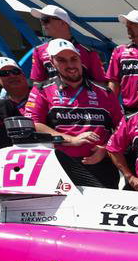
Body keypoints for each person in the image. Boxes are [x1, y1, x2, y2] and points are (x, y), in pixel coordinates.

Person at [24, 39, 122, 188]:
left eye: (73, 59)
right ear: (52, 62)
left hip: (101, 166)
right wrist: (72, 140)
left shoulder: (105, 92)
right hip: (60, 165)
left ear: (80, 59)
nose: (70, 65)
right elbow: (33, 123)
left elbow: (122, 128)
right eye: (62, 60)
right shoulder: (42, 90)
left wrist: (106, 149)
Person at [28, 5, 106, 84]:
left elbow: (100, 83)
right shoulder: (39, 50)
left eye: (46, 20)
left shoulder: (88, 52)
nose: (43, 24)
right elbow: (38, 83)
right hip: (51, 96)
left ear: (62, 23)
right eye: (41, 21)